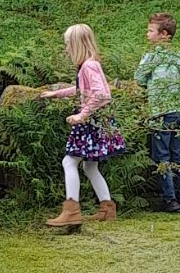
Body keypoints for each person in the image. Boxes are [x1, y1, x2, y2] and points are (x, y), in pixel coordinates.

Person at [41, 24, 126, 227]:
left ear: (77, 44)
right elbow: (83, 89)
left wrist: (82, 114)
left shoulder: (89, 66)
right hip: (97, 119)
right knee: (89, 166)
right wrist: (57, 93)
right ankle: (107, 207)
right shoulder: (90, 65)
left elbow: (101, 94)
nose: (67, 49)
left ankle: (71, 210)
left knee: (69, 162)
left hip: (92, 121)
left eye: (68, 44)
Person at [134, 13, 180, 212]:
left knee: (161, 156)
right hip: (179, 111)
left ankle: (169, 199)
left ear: (164, 34)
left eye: (150, 31)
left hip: (160, 112)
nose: (147, 35)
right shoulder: (178, 56)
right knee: (177, 154)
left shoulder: (153, 56)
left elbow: (139, 78)